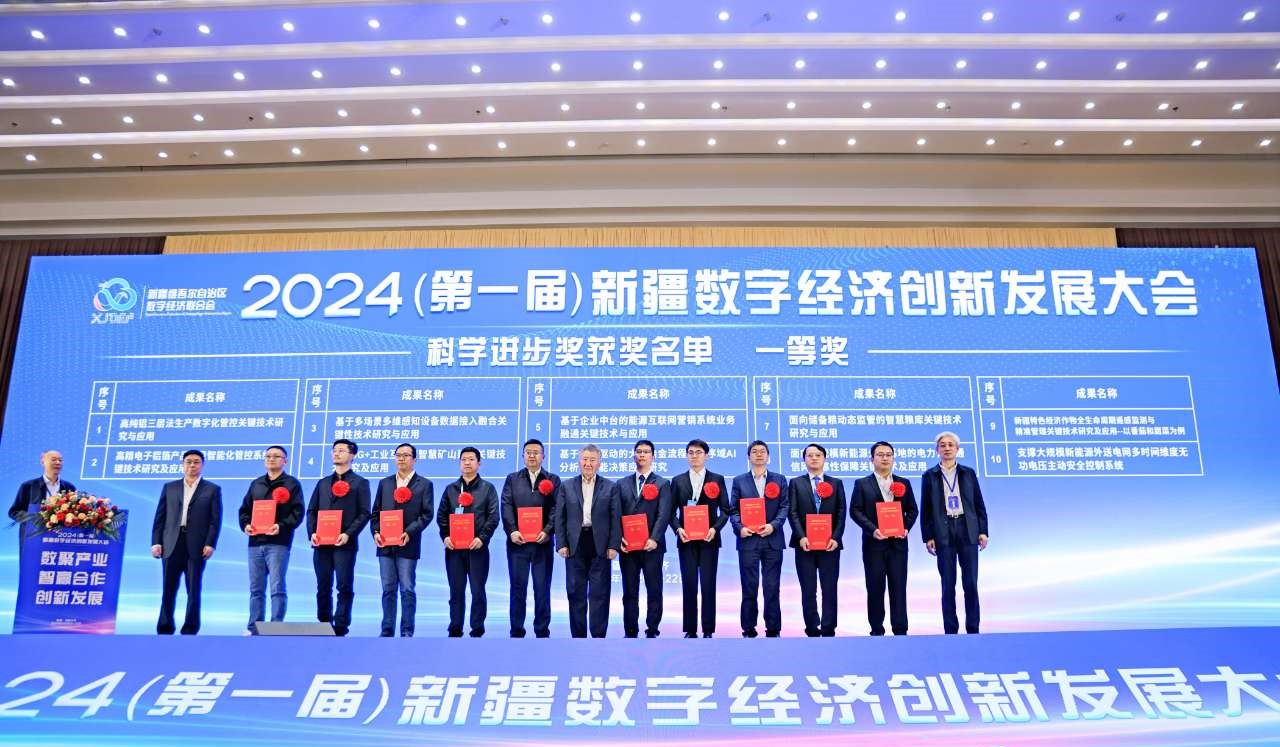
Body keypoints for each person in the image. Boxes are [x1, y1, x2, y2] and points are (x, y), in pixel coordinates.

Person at [921, 431, 990, 635]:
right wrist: (928, 536)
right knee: (947, 584)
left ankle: (973, 629)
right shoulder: (929, 475)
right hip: (943, 530)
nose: (947, 448)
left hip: (967, 529)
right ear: (937, 450)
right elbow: (926, 509)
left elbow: (979, 503)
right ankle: (950, 630)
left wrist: (983, 531)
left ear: (958, 449)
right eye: (943, 445)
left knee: (971, 583)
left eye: (951, 444)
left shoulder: (968, 473)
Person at [851, 441, 919, 637]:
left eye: (889, 454)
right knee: (875, 588)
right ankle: (876, 629)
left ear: (893, 458)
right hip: (874, 545)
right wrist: (873, 530)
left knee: (899, 587)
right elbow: (855, 511)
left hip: (898, 545)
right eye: (880, 454)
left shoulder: (904, 482)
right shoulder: (862, 484)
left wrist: (905, 528)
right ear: (872, 459)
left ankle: (900, 629)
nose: (885, 458)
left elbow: (913, 510)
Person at [150, 449, 221, 635]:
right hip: (171, 543)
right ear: (182, 464)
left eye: (196, 462)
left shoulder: (212, 489)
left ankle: (190, 628)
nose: (192, 465)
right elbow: (160, 517)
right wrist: (156, 542)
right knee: (168, 589)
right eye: (188, 461)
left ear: (202, 465)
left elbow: (215, 521)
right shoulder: (170, 487)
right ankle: (165, 626)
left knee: (193, 589)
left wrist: (210, 543)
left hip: (197, 546)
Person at [553, 444, 619, 638]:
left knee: (600, 593)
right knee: (575, 592)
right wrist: (561, 543)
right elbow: (560, 517)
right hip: (575, 543)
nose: (588, 463)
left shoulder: (610, 487)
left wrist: (613, 545)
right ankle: (578, 637)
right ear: (579, 461)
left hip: (601, 545)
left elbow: (615, 518)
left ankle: (598, 637)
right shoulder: (566, 486)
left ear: (599, 463)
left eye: (592, 460)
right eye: (585, 459)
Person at [237, 445, 304, 635]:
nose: (271, 459)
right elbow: (244, 510)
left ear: (285, 461)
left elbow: (297, 512)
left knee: (277, 587)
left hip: (278, 543)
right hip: (255, 543)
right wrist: (246, 525)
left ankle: (275, 626)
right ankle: (254, 627)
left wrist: (281, 526)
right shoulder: (256, 484)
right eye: (268, 456)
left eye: (276, 456)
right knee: (256, 589)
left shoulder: (292, 484)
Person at [306, 438, 371, 637]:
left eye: (341, 450)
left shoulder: (360, 483)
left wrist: (348, 534)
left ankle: (341, 625)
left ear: (352, 455)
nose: (336, 453)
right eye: (334, 450)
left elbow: (364, 513)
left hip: (344, 543)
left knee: (344, 585)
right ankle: (324, 623)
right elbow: (312, 510)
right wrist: (313, 532)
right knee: (323, 585)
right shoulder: (323, 483)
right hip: (322, 543)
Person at [499, 438, 561, 638]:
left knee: (542, 588)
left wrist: (548, 530)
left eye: (536, 452)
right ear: (523, 456)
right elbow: (506, 506)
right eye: (528, 452)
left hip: (543, 543)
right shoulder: (512, 479)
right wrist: (512, 531)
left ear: (543, 456)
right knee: (518, 588)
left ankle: (542, 630)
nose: (532, 456)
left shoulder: (553, 479)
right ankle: (517, 630)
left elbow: (557, 508)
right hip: (518, 543)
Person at [372, 443, 434, 637]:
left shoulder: (424, 484)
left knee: (407, 589)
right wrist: (376, 532)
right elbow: (376, 512)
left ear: (414, 459)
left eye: (406, 455)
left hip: (408, 543)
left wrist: (409, 532)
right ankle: (387, 630)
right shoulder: (385, 483)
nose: (401, 458)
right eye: (398, 455)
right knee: (387, 589)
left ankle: (407, 631)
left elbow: (426, 514)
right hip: (385, 545)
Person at [436, 446, 499, 637]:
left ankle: (477, 628)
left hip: (478, 548)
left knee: (478, 590)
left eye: (471, 459)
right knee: (456, 590)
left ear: (479, 463)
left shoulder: (488, 488)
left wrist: (482, 538)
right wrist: (445, 536)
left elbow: (493, 517)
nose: (467, 463)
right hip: (454, 549)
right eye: (463, 459)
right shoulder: (451, 489)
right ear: (459, 463)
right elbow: (442, 516)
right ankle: (455, 627)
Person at [670, 438, 730, 638]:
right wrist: (678, 529)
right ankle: (690, 629)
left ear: (707, 456)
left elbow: (726, 510)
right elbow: (670, 512)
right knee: (689, 584)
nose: (694, 456)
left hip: (708, 540)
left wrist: (715, 529)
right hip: (686, 540)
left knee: (708, 584)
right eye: (691, 453)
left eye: (698, 452)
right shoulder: (678, 481)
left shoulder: (717, 479)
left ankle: (708, 629)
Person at [729, 440, 789, 638]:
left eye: (763, 451)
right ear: (749, 457)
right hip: (748, 540)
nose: (759, 454)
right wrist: (740, 528)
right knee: (749, 586)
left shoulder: (779, 479)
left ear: (768, 456)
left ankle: (773, 628)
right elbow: (733, 510)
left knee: (772, 586)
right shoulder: (739, 481)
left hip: (773, 539)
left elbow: (784, 507)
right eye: (754, 451)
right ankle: (748, 628)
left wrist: (773, 526)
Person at [787, 442, 846, 637]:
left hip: (830, 545)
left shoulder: (836, 483)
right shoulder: (796, 483)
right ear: (804, 460)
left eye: (818, 455)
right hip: (804, 545)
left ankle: (829, 627)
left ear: (824, 458)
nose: (814, 458)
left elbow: (841, 512)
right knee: (808, 589)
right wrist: (801, 536)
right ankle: (812, 627)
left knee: (830, 588)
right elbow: (793, 512)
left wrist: (836, 538)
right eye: (810, 455)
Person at [615, 439, 672, 638]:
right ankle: (630, 630)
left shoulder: (662, 483)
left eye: (646, 452)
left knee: (654, 590)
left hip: (652, 547)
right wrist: (619, 538)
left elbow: (664, 514)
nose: (642, 455)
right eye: (638, 451)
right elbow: (616, 514)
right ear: (633, 456)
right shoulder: (621, 484)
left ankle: (652, 628)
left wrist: (655, 538)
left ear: (653, 457)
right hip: (628, 547)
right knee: (629, 591)